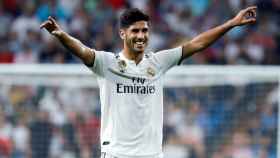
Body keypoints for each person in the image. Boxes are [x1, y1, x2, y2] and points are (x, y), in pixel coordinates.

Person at [40, 6, 257, 158]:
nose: (141, 35)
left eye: (145, 30)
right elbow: (82, 51)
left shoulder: (158, 62)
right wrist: (61, 35)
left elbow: (196, 44)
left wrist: (231, 23)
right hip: (117, 153)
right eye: (135, 30)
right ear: (123, 34)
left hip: (152, 154)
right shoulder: (107, 63)